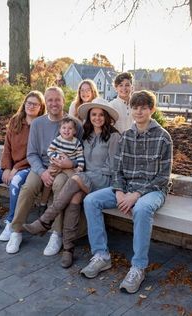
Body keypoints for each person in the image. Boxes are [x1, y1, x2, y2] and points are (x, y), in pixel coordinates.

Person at [80, 90, 173, 294]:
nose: (139, 111)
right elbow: (117, 170)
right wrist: (120, 191)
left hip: (152, 190)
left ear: (152, 110)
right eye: (135, 107)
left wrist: (136, 195)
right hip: (126, 188)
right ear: (130, 109)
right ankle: (101, 256)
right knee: (90, 201)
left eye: (144, 107)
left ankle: (138, 267)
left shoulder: (163, 138)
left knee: (141, 209)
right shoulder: (126, 136)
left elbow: (163, 178)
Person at [23, 97, 120, 268]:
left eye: (101, 115)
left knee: (75, 179)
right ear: (89, 116)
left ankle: (45, 220)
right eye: (93, 114)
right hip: (85, 177)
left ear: (107, 117)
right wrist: (72, 165)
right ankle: (68, 249)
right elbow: (78, 159)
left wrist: (81, 172)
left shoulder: (113, 136)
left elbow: (113, 167)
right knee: (74, 199)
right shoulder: (87, 135)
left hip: (103, 180)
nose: (97, 118)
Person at [6, 86, 84, 255]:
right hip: (41, 166)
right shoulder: (38, 123)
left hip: (65, 170)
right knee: (28, 188)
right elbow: (31, 153)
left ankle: (56, 233)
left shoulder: (75, 124)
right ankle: (16, 230)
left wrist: (69, 164)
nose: (54, 103)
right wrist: (42, 172)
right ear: (45, 103)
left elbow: (82, 154)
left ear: (63, 101)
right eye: (50, 100)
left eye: (57, 99)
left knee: (59, 186)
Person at [0, 91, 46, 241]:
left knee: (15, 182)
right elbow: (7, 147)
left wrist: (16, 169)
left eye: (35, 104)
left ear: (41, 107)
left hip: (29, 166)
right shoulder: (16, 120)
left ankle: (11, 222)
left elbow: (37, 154)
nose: (31, 106)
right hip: (11, 164)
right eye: (28, 103)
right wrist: (7, 167)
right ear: (24, 104)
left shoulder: (41, 126)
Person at [39, 117, 85, 208]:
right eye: (64, 128)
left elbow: (80, 156)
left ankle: (69, 201)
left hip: (69, 167)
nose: (66, 130)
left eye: (70, 128)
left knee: (74, 179)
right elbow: (50, 151)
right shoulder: (58, 140)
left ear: (74, 131)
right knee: (48, 182)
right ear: (60, 130)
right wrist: (57, 158)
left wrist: (80, 167)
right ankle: (43, 202)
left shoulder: (76, 143)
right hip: (55, 165)